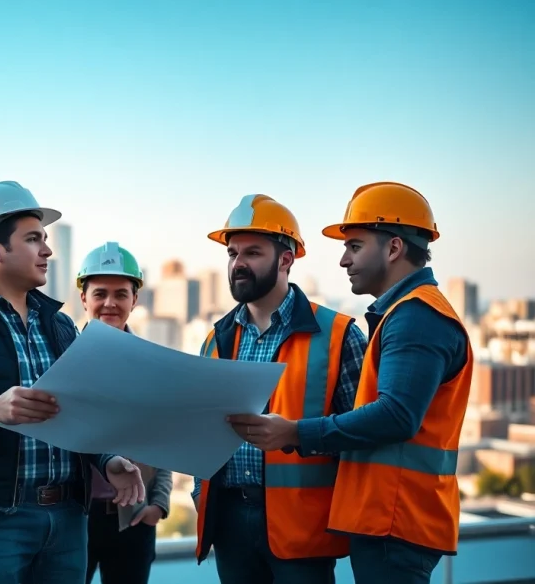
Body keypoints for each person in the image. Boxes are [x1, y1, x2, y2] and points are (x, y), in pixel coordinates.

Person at [229, 182, 473, 584]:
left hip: (395, 521)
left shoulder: (417, 317)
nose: (343, 260)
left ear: (393, 248)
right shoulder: (405, 314)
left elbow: (397, 416)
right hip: (387, 521)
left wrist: (293, 432)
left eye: (355, 246)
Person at [0, 181, 147, 584]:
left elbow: (79, 415)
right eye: (34, 238)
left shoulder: (59, 327)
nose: (47, 250)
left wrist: (108, 460)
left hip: (68, 521)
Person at [192, 194, 368, 584]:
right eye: (233, 252)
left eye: (252, 252)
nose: (238, 263)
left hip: (305, 528)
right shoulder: (215, 340)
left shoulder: (339, 336)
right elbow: (202, 434)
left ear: (286, 259)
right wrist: (199, 498)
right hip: (230, 523)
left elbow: (362, 432)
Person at [75, 242, 173, 584]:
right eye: (100, 293)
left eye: (121, 293)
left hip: (133, 516)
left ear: (135, 299)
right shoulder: (62, 358)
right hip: (75, 517)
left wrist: (158, 505)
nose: (110, 303)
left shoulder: (153, 364)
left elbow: (164, 439)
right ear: (84, 299)